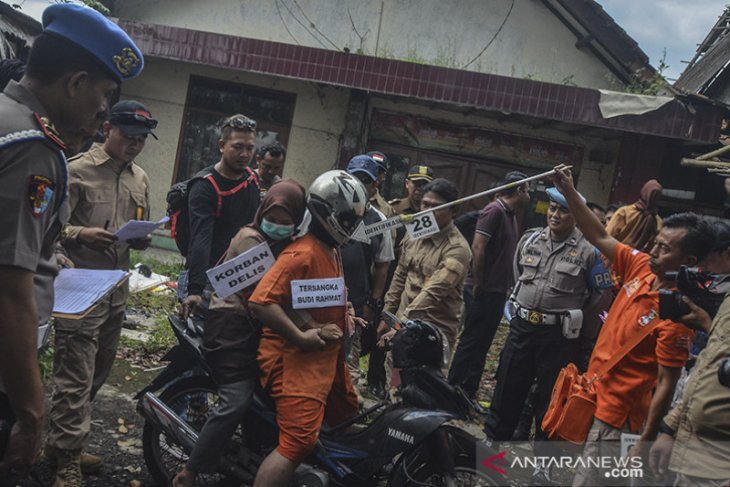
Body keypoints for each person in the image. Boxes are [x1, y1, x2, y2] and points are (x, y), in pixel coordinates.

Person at [0, 3, 142, 479]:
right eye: (103, 94)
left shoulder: (7, 116)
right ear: (76, 83)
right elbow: (9, 286)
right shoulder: (31, 148)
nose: (103, 111)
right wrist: (31, 411)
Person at [550, 167, 713, 486]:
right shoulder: (640, 266)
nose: (654, 251)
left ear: (690, 261)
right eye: (656, 243)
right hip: (595, 397)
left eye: (665, 249)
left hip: (619, 418)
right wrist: (569, 190)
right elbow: (599, 235)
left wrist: (646, 438)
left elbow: (667, 383)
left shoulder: (678, 314)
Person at [44, 100, 154, 483]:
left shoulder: (140, 177)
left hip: (115, 291)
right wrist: (80, 234)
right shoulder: (75, 171)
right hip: (78, 291)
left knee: (96, 375)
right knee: (74, 376)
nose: (135, 144)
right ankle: (66, 462)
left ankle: (59, 443)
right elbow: (46, 227)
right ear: (107, 129)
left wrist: (142, 238)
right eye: (129, 136)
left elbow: (140, 224)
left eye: (142, 139)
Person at [173, 179, 308, 487]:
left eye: (285, 223)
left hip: (252, 327)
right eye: (271, 220)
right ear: (261, 213)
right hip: (230, 328)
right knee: (236, 399)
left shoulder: (286, 245)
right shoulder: (251, 238)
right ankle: (189, 471)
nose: (276, 226)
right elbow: (263, 295)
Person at [483, 188, 610, 485]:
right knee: (507, 390)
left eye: (564, 210)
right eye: (552, 208)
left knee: (551, 401)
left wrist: (576, 322)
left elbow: (600, 296)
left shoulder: (589, 250)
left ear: (576, 215)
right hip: (523, 329)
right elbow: (518, 276)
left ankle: (543, 464)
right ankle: (493, 453)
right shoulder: (530, 239)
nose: (555, 215)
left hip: (560, 335)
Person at [249, 170, 366, 487]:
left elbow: (308, 297)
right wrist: (301, 335)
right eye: (348, 218)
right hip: (294, 360)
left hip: (325, 358)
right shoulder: (302, 253)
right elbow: (261, 302)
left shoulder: (330, 248)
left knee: (347, 415)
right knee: (297, 442)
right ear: (328, 213)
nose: (352, 226)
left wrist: (346, 311)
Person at [649, 218, 730, 487]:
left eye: (705, 260)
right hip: (693, 444)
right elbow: (708, 366)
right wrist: (670, 428)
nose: (701, 269)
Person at [448, 171, 530, 400]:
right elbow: (478, 247)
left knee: (483, 342)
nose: (530, 195)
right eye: (529, 190)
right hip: (482, 288)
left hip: (497, 290)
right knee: (471, 340)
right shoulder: (494, 210)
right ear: (521, 190)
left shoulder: (511, 215)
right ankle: (452, 388)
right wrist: (479, 282)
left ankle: (468, 390)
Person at [379, 178, 471, 361]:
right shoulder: (415, 232)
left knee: (421, 386)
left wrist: (399, 326)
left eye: (435, 207)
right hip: (401, 322)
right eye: (424, 204)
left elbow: (432, 293)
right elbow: (400, 275)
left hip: (433, 331)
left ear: (453, 210)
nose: (427, 211)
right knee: (395, 379)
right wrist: (387, 315)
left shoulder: (457, 249)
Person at [181, 114, 260, 319]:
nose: (244, 154)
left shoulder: (252, 180)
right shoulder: (204, 187)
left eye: (250, 148)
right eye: (238, 147)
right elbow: (201, 238)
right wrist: (195, 290)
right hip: (210, 278)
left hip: (244, 273)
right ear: (222, 145)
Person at [341, 155, 395, 387]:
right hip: (318, 297)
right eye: (355, 177)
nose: (359, 183)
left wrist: (373, 302)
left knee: (348, 367)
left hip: (356, 303)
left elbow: (383, 263)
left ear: (375, 185)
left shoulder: (379, 219)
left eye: (365, 179)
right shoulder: (327, 205)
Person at [606, 179, 663, 252]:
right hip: (638, 260)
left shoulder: (625, 212)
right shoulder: (658, 221)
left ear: (643, 192)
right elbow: (652, 247)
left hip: (616, 254)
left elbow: (609, 234)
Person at [366, 150, 396, 220]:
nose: (373, 174)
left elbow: (390, 231)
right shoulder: (346, 196)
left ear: (383, 176)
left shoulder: (386, 210)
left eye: (379, 171)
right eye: (370, 169)